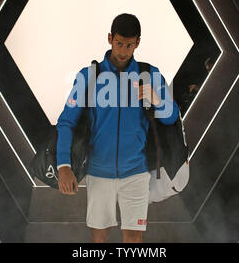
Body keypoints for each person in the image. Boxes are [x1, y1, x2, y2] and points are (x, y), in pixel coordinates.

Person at [55, 13, 179, 243]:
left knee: (134, 240)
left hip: (137, 172)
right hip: (98, 172)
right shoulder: (89, 76)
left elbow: (172, 117)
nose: (123, 50)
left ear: (138, 42)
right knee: (99, 239)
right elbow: (66, 122)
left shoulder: (149, 74)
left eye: (129, 45)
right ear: (110, 38)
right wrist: (63, 165)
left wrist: (158, 99)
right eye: (119, 43)